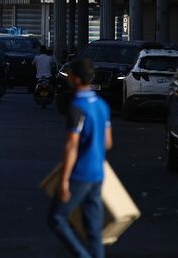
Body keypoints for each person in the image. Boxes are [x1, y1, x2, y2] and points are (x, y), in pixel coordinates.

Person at [48, 58, 112, 258]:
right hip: (98, 173)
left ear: (75, 79)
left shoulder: (77, 106)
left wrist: (64, 181)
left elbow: (72, 145)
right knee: (93, 229)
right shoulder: (102, 105)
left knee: (57, 218)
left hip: (81, 173)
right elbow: (108, 142)